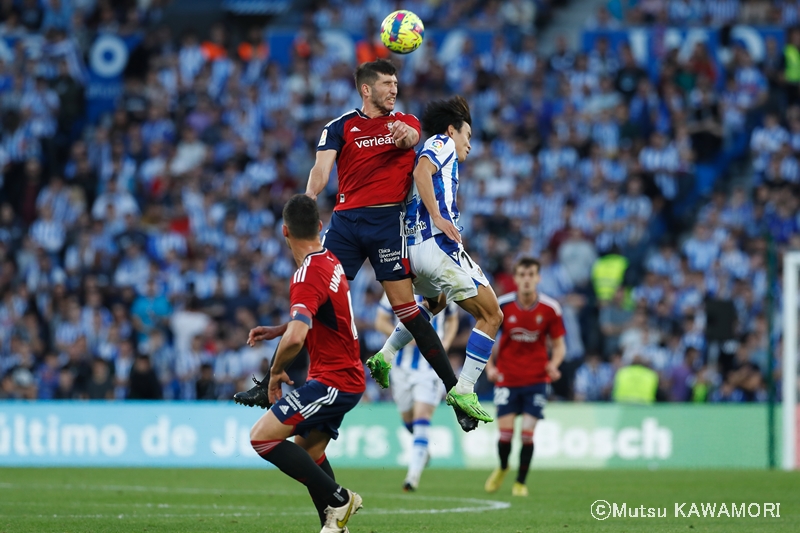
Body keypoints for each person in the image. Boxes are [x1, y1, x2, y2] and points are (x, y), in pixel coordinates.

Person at [295, 58, 479, 429]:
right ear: (366, 89)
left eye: (396, 83)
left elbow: (411, 138)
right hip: (346, 222)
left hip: (387, 224)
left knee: (406, 310)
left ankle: (454, 392)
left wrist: (404, 136)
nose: (394, 89)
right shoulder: (340, 126)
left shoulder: (406, 121)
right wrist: (309, 198)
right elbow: (321, 168)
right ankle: (289, 380)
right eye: (386, 84)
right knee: (316, 296)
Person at [367, 96, 502, 424]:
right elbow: (422, 170)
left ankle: (386, 354)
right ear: (451, 130)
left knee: (436, 301)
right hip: (436, 244)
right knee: (492, 314)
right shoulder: (440, 143)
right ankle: (465, 387)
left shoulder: (434, 150)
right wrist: (438, 217)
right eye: (467, 135)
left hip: (413, 252)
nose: (469, 144)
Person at [246, 194, 364, 533]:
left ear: (284, 231)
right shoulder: (330, 260)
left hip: (334, 380)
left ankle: (340, 500)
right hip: (341, 376)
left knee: (262, 438)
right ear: (319, 226)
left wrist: (273, 376)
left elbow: (298, 338)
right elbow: (320, 316)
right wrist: (280, 330)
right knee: (309, 453)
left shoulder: (305, 275)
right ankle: (333, 526)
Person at [484, 257, 566, 497]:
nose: (527, 279)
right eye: (522, 274)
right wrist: (490, 368)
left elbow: (560, 346)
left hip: (537, 379)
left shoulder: (551, 309)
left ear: (538, 278)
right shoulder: (502, 305)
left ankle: (520, 482)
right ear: (516, 278)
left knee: (528, 434)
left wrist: (554, 364)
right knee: (506, 434)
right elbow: (485, 338)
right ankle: (502, 467)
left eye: (531, 274)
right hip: (508, 378)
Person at [374, 292, 459, 491]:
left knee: (422, 416)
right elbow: (380, 321)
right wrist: (402, 334)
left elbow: (452, 317)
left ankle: (412, 476)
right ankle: (423, 450)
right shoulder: (395, 288)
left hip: (429, 367)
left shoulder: (439, 288)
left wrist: (445, 342)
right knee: (408, 420)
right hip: (400, 368)